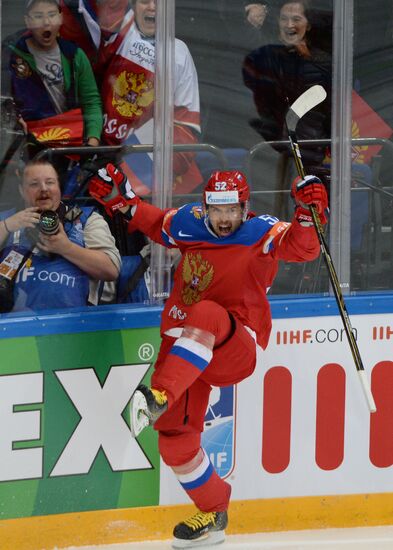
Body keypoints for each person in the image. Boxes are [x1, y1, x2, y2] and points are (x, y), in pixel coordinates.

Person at [87, 162, 328, 547]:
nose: (225, 218)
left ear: (244, 207)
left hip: (233, 344)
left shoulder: (261, 230)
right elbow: (154, 222)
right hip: (187, 348)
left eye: (233, 209)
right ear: (206, 206)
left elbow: (303, 248)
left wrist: (308, 214)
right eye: (218, 210)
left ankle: (161, 395)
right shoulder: (189, 221)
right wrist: (122, 200)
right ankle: (214, 511)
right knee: (174, 440)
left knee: (207, 313)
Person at [60, 0, 203, 195]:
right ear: (133, 5)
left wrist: (133, 167)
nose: (152, 7)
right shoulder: (117, 33)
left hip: (145, 173)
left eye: (159, 3)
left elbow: (186, 128)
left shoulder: (179, 53)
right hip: (99, 156)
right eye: (145, 1)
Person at [0, 158, 120, 311]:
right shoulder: (7, 220)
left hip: (74, 326)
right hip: (14, 329)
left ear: (59, 187)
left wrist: (66, 248)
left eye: (50, 182)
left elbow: (111, 269)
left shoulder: (87, 219)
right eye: (34, 184)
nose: (43, 189)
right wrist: (6, 226)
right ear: (22, 191)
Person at [7, 0, 103, 149]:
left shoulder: (75, 55)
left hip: (71, 143)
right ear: (27, 21)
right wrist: (15, 120)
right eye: (38, 16)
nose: (46, 22)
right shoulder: (11, 56)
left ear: (61, 18)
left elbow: (91, 101)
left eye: (51, 15)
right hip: (28, 145)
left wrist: (92, 143)